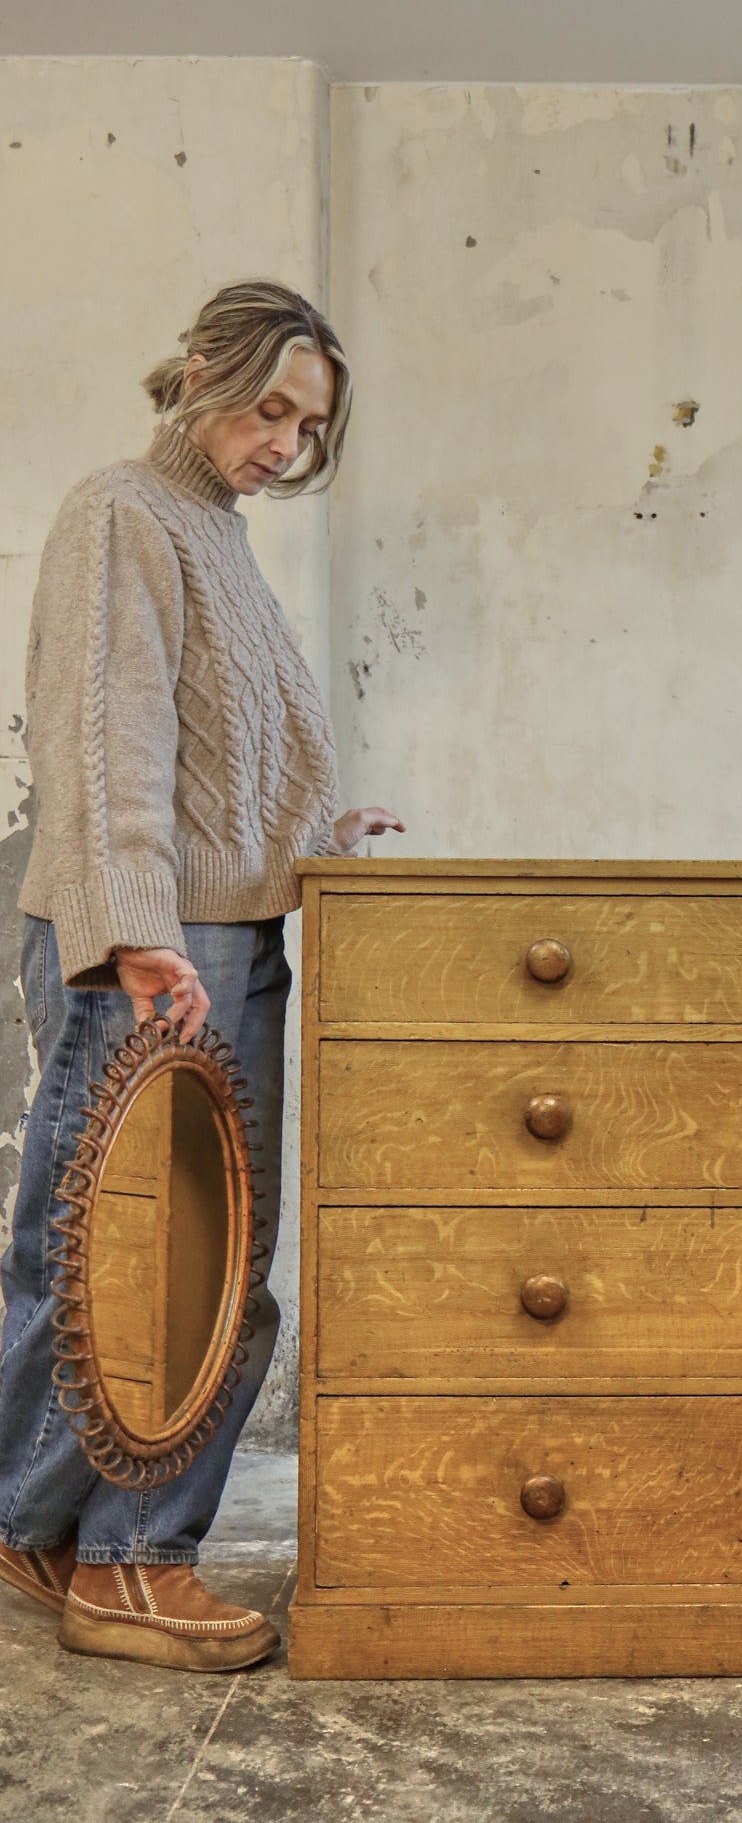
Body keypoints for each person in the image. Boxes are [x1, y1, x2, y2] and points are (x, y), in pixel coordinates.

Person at [0, 279, 403, 1671]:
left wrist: (316, 840)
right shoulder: (127, 510)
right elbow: (105, 737)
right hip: (155, 951)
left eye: (308, 426)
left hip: (217, 936)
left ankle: (40, 1526)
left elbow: (214, 756)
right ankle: (126, 1564)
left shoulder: (214, 535)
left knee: (176, 1268)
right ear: (196, 370)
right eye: (268, 407)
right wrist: (140, 933)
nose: (283, 443)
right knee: (145, 1277)